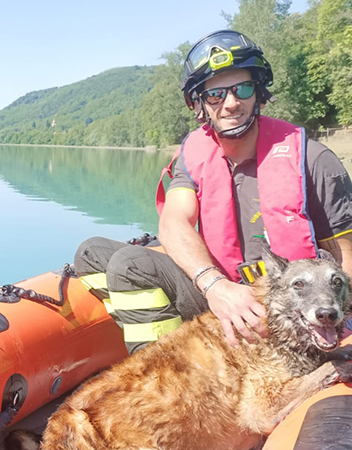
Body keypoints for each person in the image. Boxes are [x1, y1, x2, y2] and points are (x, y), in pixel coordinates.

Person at [74, 30, 352, 354]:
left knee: (129, 264)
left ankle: (174, 376)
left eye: (243, 89)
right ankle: (182, 344)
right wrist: (216, 287)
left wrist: (323, 320)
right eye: (216, 94)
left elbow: (346, 259)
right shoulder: (195, 154)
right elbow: (174, 223)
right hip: (218, 290)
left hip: (284, 309)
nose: (231, 103)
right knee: (90, 252)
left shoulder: (315, 161)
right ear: (200, 104)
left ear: (259, 93)